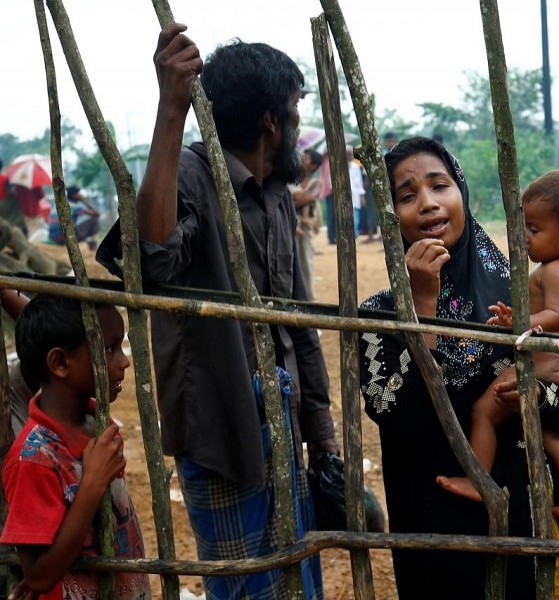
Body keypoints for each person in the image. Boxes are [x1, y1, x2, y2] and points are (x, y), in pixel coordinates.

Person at [97, 24, 335, 599]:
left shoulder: (276, 194)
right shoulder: (190, 176)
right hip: (220, 420)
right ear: (272, 121)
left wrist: (321, 435)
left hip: (283, 415)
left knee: (293, 577)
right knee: (239, 584)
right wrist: (170, 110)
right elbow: (151, 259)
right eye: (296, 108)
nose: (298, 124)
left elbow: (297, 322)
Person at [359, 137, 559, 599]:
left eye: (439, 185)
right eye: (407, 196)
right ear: (391, 216)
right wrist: (423, 305)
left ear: (461, 193)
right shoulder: (378, 314)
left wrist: (537, 398)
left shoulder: (515, 293)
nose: (428, 203)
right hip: (440, 522)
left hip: (529, 514)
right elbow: (394, 414)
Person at [437, 169, 559, 523]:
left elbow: (555, 315)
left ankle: (478, 479)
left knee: (483, 411)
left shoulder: (553, 270)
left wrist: (518, 323)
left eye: (535, 230)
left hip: (541, 361)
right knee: (546, 429)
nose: (524, 237)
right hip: (558, 363)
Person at [1, 294, 150, 599]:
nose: (124, 361)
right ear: (59, 363)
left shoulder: (97, 424)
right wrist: (92, 484)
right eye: (109, 349)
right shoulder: (34, 458)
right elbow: (39, 576)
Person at [291, 149, 324, 300]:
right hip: (291, 224)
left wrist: (293, 201)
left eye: (307, 158)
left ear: (313, 165)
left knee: (305, 263)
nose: (303, 158)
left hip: (304, 228)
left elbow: (309, 197)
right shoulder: (292, 178)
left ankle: (309, 299)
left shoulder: (316, 183)